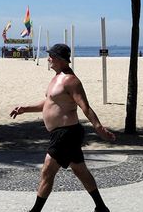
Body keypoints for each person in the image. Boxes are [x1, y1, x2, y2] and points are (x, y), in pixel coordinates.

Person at [10, 44, 116, 212]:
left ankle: (35, 211)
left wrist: (99, 128)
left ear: (59, 59)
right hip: (62, 134)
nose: (48, 59)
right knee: (80, 170)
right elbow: (50, 102)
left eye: (51, 56)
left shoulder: (71, 81)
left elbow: (85, 107)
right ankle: (101, 207)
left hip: (66, 134)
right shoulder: (57, 77)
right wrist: (25, 108)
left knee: (47, 171)